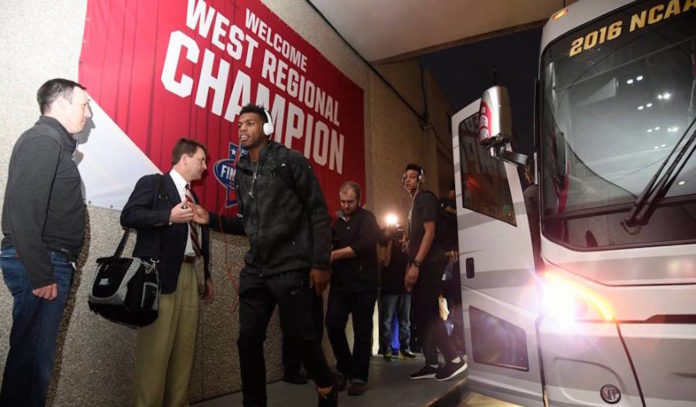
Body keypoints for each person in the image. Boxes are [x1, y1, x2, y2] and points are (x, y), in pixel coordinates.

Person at [192, 104, 337, 407]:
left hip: (290, 266)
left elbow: (318, 213)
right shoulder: (242, 172)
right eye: (240, 124)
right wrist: (212, 218)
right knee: (248, 341)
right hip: (256, 270)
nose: (243, 129)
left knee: (302, 338)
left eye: (250, 124)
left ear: (267, 129)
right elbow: (248, 223)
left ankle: (326, 386)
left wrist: (320, 263)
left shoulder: (291, 161)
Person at [0, 78, 91, 407]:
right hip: (42, 263)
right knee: (31, 366)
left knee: (32, 362)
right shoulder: (43, 139)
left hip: (47, 262)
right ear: (63, 105)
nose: (88, 113)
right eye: (84, 105)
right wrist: (40, 273)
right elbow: (22, 211)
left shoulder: (53, 143)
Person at [121, 138, 213, 407]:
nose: (205, 167)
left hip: (189, 275)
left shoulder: (193, 197)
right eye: (201, 160)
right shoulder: (154, 183)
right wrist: (167, 216)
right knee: (155, 352)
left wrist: (205, 274)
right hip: (159, 277)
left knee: (184, 352)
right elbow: (128, 216)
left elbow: (200, 237)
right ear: (184, 159)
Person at [402, 163, 466, 382]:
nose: (408, 180)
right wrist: (409, 265)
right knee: (420, 313)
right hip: (421, 264)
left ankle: (454, 360)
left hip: (430, 264)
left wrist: (416, 264)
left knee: (427, 312)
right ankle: (431, 363)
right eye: (406, 177)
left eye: (412, 176)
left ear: (421, 178)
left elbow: (430, 233)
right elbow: (415, 240)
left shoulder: (426, 198)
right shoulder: (414, 204)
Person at [325, 181, 380, 396]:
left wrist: (335, 255)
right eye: (342, 201)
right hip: (340, 284)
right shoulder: (337, 222)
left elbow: (365, 245)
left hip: (364, 285)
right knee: (333, 324)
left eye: (350, 202)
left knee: (362, 332)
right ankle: (345, 367)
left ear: (359, 200)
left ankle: (358, 377)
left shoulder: (368, 219)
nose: (346, 206)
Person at [377, 223, 415, 361]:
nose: (398, 234)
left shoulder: (406, 246)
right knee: (386, 320)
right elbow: (385, 262)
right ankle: (386, 349)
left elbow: (410, 262)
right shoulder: (384, 243)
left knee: (405, 321)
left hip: (404, 287)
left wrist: (406, 242)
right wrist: (389, 243)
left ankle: (405, 348)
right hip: (389, 287)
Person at [439, 180, 465, 352]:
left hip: (452, 263)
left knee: (452, 303)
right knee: (451, 303)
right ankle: (451, 339)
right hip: (447, 262)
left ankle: (453, 339)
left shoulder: (447, 211)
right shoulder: (449, 208)